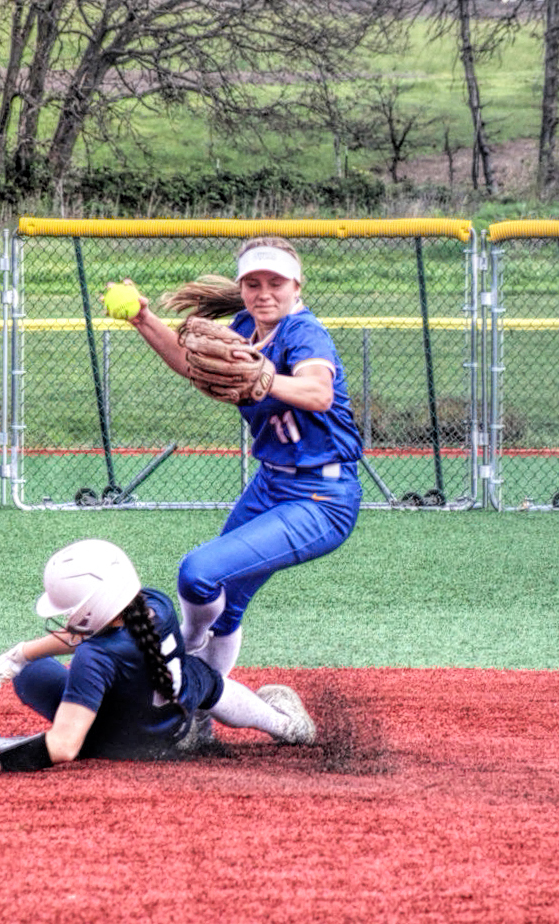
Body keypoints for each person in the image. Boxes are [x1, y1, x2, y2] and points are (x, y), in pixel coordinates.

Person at [115, 237, 363, 741]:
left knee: (199, 573)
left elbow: (317, 392)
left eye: (276, 283)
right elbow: (192, 365)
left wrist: (264, 378)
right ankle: (201, 717)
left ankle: (184, 657)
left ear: (297, 286)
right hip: (270, 484)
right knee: (228, 606)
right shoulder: (247, 327)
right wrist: (144, 319)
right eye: (253, 283)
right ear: (242, 287)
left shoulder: (305, 333)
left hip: (321, 500)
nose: (264, 293)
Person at [0, 539, 314, 775]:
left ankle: (117, 736)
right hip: (178, 707)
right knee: (203, 679)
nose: (68, 616)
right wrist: (23, 651)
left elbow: (64, 747)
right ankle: (285, 726)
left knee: (32, 678)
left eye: (71, 609)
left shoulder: (95, 658)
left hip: (131, 742)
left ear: (91, 608)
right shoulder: (155, 606)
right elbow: (97, 628)